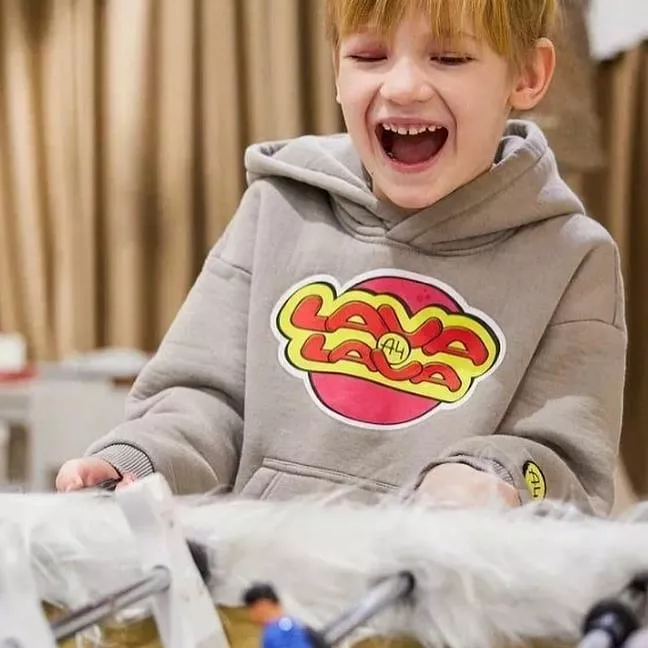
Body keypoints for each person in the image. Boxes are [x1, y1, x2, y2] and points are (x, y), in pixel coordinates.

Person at [55, 0, 626, 515]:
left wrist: (494, 478)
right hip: (256, 578)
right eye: (369, 56)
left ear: (527, 75)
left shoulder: (574, 260)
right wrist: (139, 461)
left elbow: (564, 466)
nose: (403, 86)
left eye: (449, 57)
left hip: (437, 588)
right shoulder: (276, 208)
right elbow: (203, 401)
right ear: (336, 69)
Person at [242, 583, 320, 648]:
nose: (251, 615)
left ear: (262, 605)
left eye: (251, 608)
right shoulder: (294, 625)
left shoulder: (276, 631)